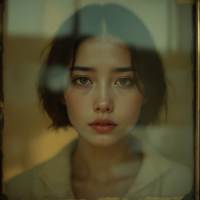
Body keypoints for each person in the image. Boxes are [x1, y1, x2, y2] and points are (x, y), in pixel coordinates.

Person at [5, 3, 192, 200]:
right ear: (60, 91)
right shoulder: (18, 191)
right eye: (83, 80)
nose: (103, 103)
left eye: (124, 81)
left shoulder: (186, 188)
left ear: (147, 91)